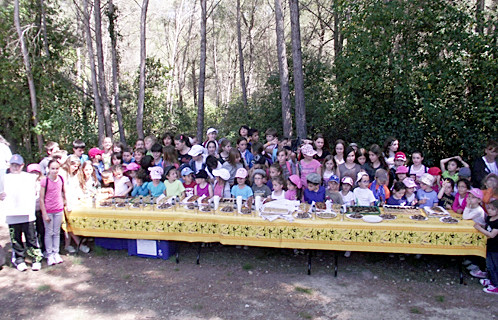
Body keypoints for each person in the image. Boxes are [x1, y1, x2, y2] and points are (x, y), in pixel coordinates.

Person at [0, 154, 43, 271]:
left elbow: (36, 190)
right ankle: (19, 260)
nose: (15, 168)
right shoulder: (4, 178)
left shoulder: (29, 178)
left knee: (31, 238)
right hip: (12, 215)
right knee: (16, 239)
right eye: (13, 165)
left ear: (22, 166)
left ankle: (36, 259)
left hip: (27, 214)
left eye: (17, 165)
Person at [40, 160, 68, 266]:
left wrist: (65, 202)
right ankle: (49, 254)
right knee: (49, 233)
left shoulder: (60, 179)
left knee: (56, 233)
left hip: (58, 210)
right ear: (48, 169)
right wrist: (44, 214)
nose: (55, 171)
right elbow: (41, 199)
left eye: (57, 168)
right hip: (48, 210)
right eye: (52, 168)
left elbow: (64, 192)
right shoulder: (45, 181)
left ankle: (56, 253)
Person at [473, 199, 498, 294]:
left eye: (493, 209)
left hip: (495, 248)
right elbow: (486, 227)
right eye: (489, 208)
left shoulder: (497, 223)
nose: (490, 211)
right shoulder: (489, 218)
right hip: (488, 245)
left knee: (494, 266)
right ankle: (490, 280)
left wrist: (480, 229)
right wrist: (481, 226)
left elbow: (492, 235)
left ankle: (496, 285)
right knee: (488, 265)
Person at [27, 163, 45, 255]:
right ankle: (34, 249)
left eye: (36, 172)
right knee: (32, 232)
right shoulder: (25, 184)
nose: (34, 175)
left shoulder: (42, 182)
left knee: (42, 230)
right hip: (30, 210)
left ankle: (43, 248)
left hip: (41, 210)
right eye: (32, 173)